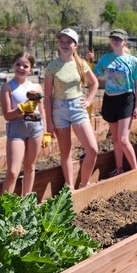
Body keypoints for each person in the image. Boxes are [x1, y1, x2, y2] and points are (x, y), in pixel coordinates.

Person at [44, 28, 99, 189]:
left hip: (77, 108)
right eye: (62, 41)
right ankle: (69, 188)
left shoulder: (81, 64)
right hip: (59, 109)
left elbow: (94, 83)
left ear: (75, 45)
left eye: (69, 42)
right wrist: (49, 122)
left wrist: (88, 100)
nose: (65, 44)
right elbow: (47, 96)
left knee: (92, 149)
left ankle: (83, 184)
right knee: (65, 152)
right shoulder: (52, 66)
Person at [94, 28, 137, 177]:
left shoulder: (132, 61)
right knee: (115, 139)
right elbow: (95, 75)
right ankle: (119, 168)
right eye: (113, 38)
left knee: (123, 139)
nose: (116, 41)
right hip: (110, 99)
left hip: (126, 99)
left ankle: (136, 170)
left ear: (125, 42)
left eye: (119, 39)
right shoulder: (105, 59)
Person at [0, 52, 45, 196]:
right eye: (18, 64)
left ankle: (26, 200)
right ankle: (4, 204)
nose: (21, 68)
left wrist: (46, 131)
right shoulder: (7, 88)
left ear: (30, 69)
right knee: (13, 171)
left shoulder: (36, 87)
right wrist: (21, 108)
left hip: (35, 129)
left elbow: (42, 111)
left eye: (25, 66)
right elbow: (7, 115)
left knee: (30, 167)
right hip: (17, 130)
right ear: (13, 65)